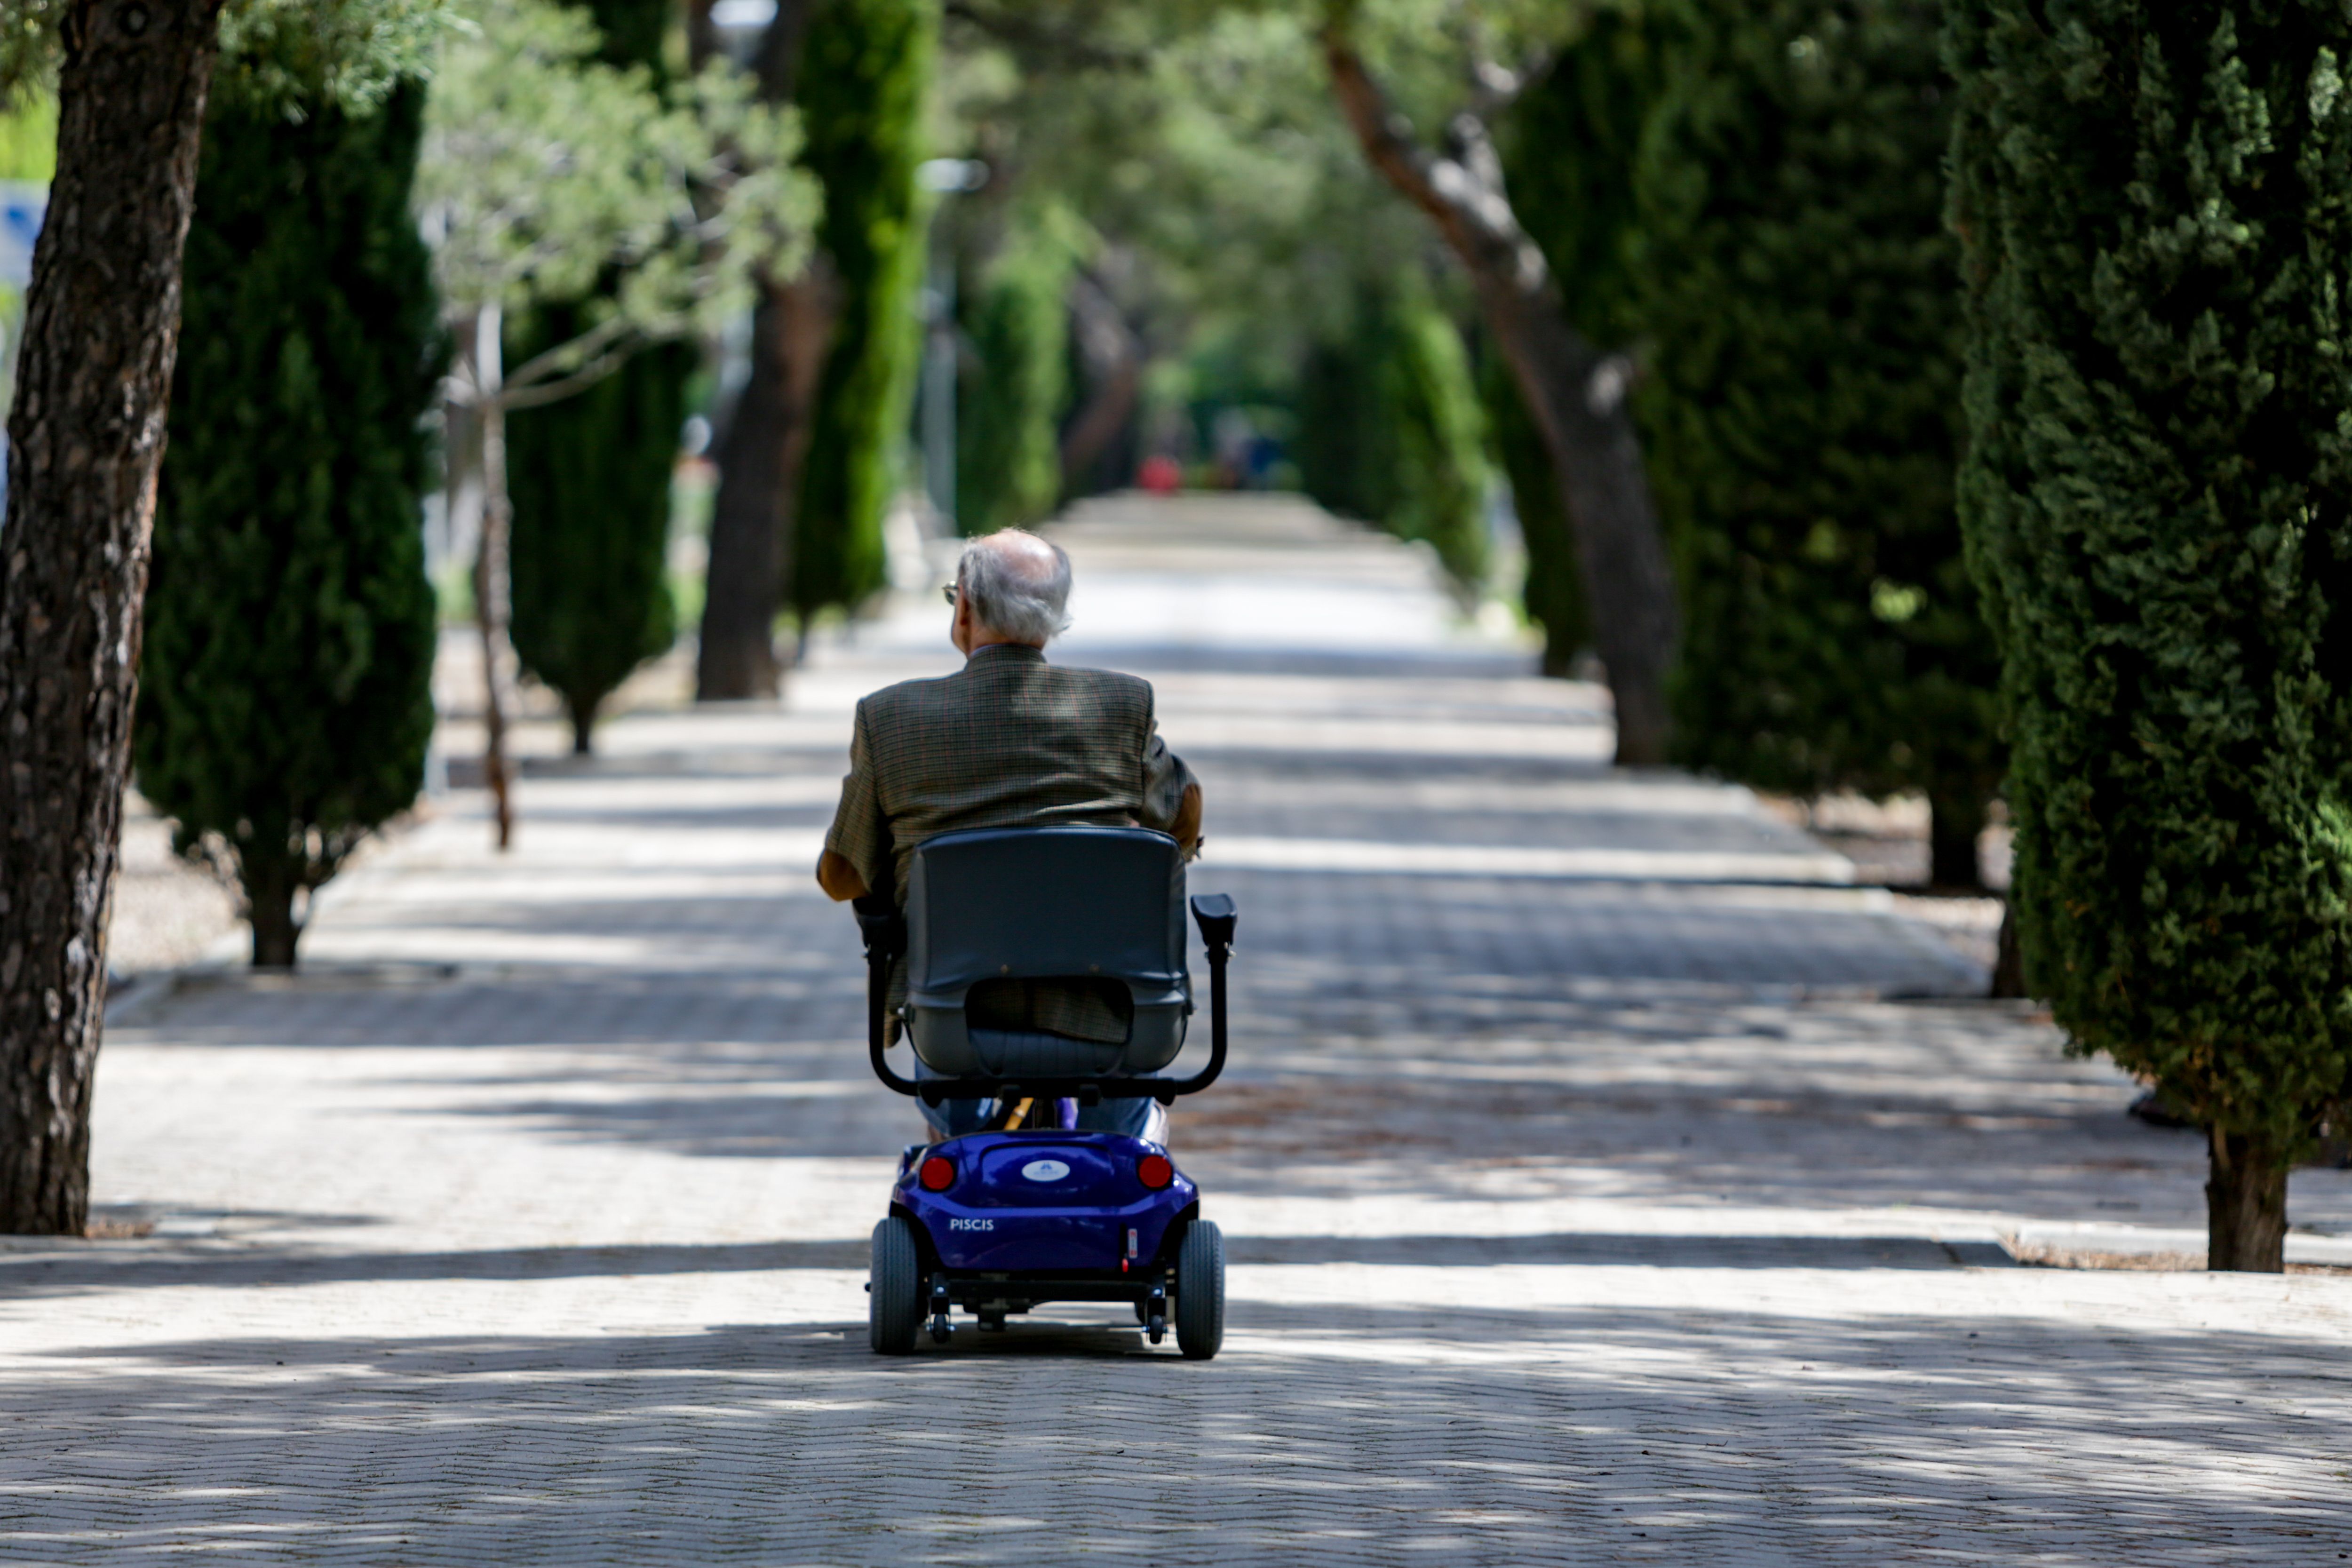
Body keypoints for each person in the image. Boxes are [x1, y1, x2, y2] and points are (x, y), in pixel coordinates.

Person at [817, 527, 1203, 1141]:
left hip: (960, 1031)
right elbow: (1182, 819)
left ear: (965, 606)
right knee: (1132, 1132)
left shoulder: (890, 718)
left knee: (952, 1136)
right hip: (1114, 1023)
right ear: (1053, 619)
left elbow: (843, 876)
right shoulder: (1122, 705)